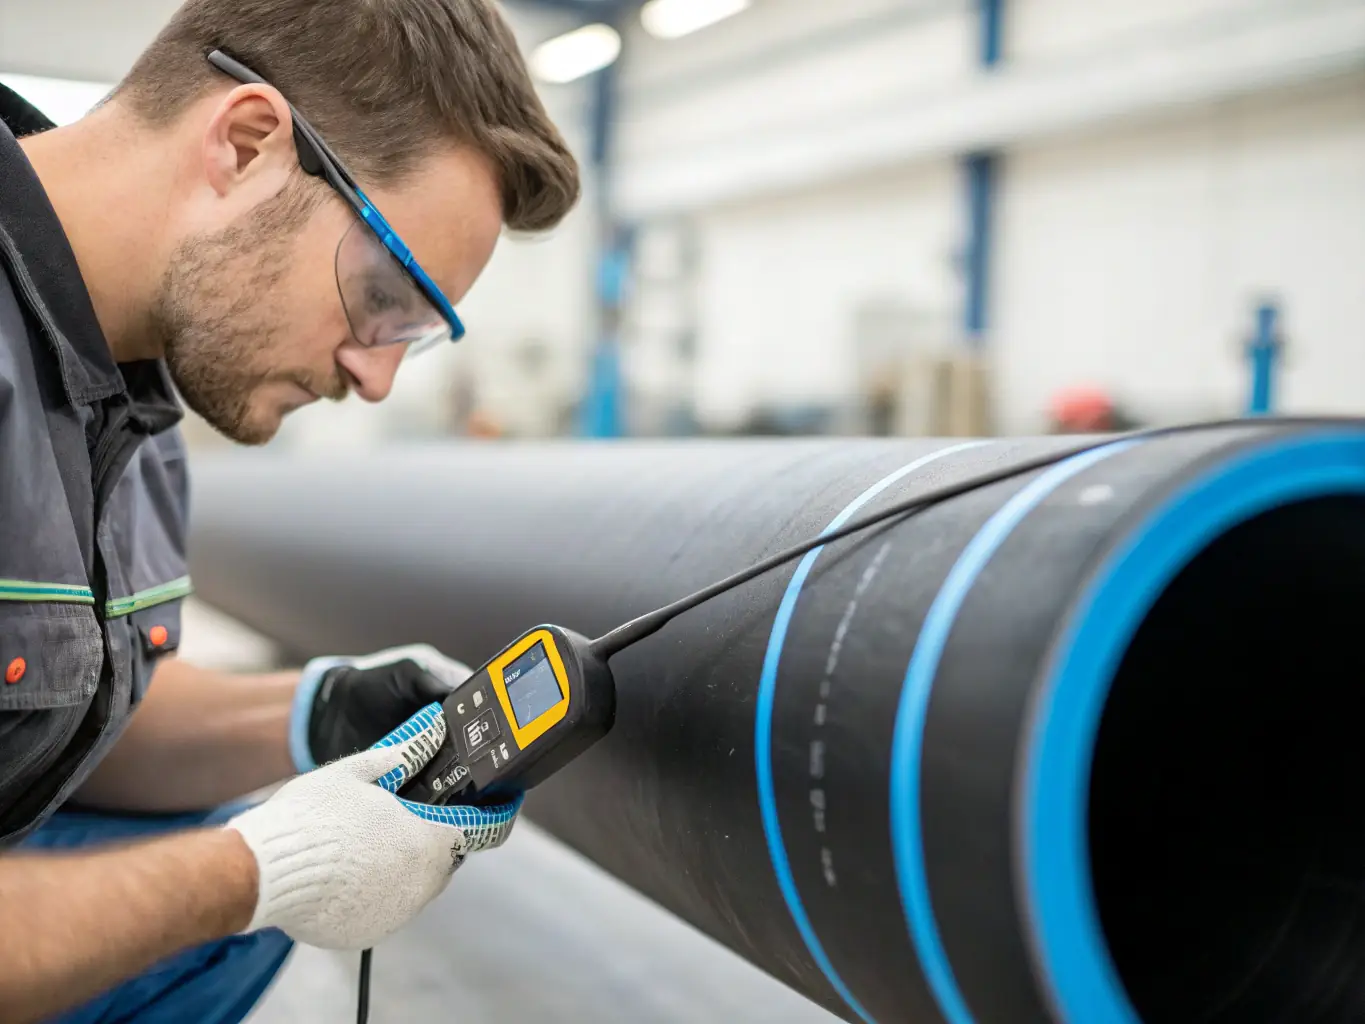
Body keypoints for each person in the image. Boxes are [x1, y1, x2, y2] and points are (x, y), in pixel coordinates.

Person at [0, 1, 580, 1021]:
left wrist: (313, 710)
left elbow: (55, 716)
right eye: (387, 297)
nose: (378, 377)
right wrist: (254, 870)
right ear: (247, 143)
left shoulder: (136, 422)